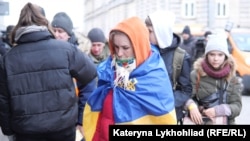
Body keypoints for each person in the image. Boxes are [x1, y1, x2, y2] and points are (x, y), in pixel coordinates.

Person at [0, 3, 96, 141]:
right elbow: (90, 74)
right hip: (63, 128)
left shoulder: (8, 59)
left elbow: (3, 101)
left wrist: (8, 131)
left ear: (19, 26)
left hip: (26, 131)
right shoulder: (66, 50)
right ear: (44, 23)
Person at [83, 16, 177, 141]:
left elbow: (164, 119)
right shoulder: (111, 68)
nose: (119, 53)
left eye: (125, 48)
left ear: (139, 46)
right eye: (116, 47)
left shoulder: (154, 75)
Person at [51, 12, 96, 140]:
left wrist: (81, 120)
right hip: (54, 121)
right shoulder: (48, 54)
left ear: (68, 34)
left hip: (72, 120)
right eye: (54, 30)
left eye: (60, 31)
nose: (57, 34)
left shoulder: (79, 56)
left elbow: (88, 90)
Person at [145, 10, 192, 124]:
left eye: (150, 31)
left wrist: (165, 102)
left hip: (169, 116)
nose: (146, 34)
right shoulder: (145, 52)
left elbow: (186, 90)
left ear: (160, 32)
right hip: (145, 115)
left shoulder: (180, 57)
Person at [185, 33, 242, 125]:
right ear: (206, 55)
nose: (216, 59)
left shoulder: (233, 77)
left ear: (226, 56)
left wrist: (218, 110)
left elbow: (237, 106)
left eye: (220, 55)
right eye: (212, 54)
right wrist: (192, 107)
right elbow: (187, 97)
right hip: (201, 122)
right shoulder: (196, 74)